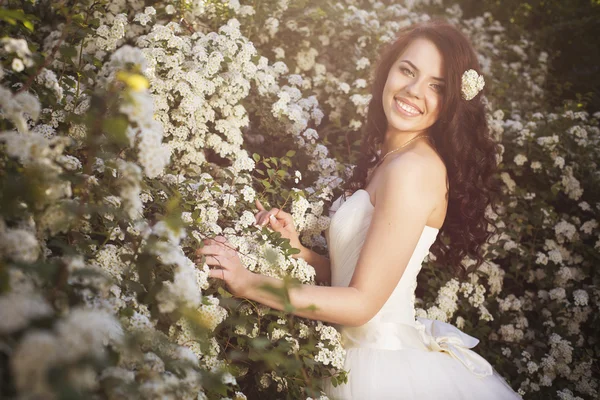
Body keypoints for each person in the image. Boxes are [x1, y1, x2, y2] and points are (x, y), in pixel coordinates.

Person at [196, 19, 522, 400]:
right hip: (347, 352)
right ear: (388, 72)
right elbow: (360, 276)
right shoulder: (393, 159)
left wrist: (249, 282)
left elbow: (363, 304)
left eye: (437, 86)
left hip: (380, 368)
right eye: (407, 70)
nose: (414, 91)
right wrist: (298, 251)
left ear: (452, 102)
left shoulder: (413, 169)